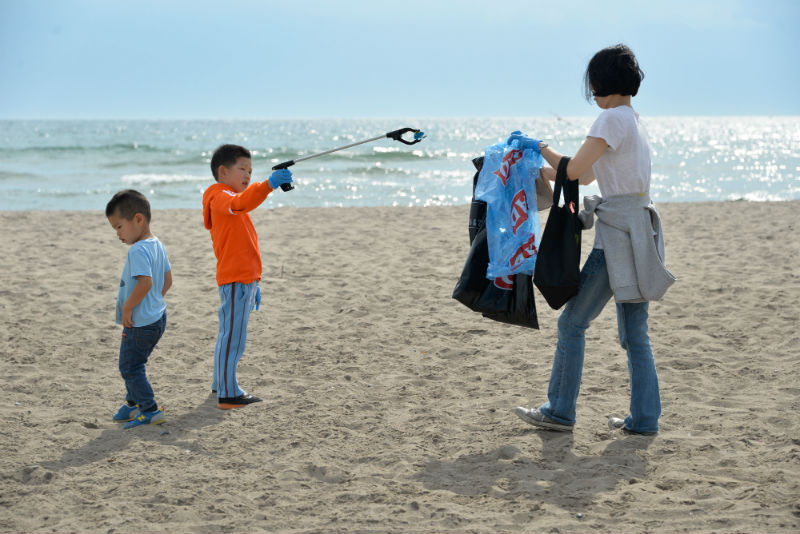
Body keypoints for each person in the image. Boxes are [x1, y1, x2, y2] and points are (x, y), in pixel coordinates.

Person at [512, 44, 675, 435]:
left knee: (572, 323)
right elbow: (584, 178)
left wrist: (538, 147)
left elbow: (577, 168)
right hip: (641, 232)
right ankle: (645, 419)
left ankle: (559, 412)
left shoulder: (608, 121)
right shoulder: (632, 119)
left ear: (600, 83)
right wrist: (535, 170)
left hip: (617, 239)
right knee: (636, 334)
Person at [203, 144, 293, 410]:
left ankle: (221, 384)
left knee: (229, 335)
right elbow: (240, 203)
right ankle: (228, 394)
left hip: (243, 280)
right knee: (233, 338)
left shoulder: (229, 201)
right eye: (242, 169)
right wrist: (268, 185)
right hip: (235, 279)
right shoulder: (220, 197)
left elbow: (244, 244)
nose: (247, 175)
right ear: (223, 171)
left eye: (251, 171)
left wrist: (255, 281)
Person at [106, 189, 172, 429]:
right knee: (135, 362)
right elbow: (167, 281)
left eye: (119, 227)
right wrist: (154, 300)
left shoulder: (138, 250)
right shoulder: (157, 244)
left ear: (138, 219)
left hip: (141, 322)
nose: (117, 234)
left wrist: (128, 307)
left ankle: (149, 409)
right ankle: (132, 403)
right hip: (158, 317)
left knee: (130, 366)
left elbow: (145, 282)